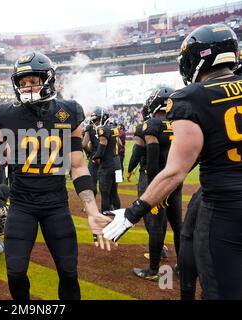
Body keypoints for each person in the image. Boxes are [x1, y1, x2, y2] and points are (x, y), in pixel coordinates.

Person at [0, 51, 113, 300]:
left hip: (55, 205)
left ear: (48, 79)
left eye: (33, 81)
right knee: (16, 274)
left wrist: (92, 208)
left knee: (69, 272)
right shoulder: (6, 114)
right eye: (23, 82)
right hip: (22, 205)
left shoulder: (68, 111)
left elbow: (78, 166)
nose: (28, 87)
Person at [103, 24, 242, 299]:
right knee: (184, 228)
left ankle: (162, 272)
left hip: (225, 207)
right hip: (215, 194)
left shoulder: (191, 98)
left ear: (198, 60)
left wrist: (133, 212)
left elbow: (176, 170)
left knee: (219, 288)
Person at [132, 87, 182, 281]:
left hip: (160, 180)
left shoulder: (152, 124)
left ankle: (153, 270)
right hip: (175, 182)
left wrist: (154, 188)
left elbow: (152, 162)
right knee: (178, 226)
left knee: (157, 227)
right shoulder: (179, 123)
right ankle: (182, 265)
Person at [92, 109, 121, 211]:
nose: (95, 122)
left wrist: (95, 157)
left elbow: (102, 146)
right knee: (114, 191)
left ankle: (105, 214)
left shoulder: (103, 129)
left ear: (102, 118)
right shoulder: (114, 128)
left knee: (105, 193)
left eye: (97, 120)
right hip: (117, 164)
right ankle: (118, 214)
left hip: (107, 165)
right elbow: (120, 144)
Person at [82, 112, 99, 196]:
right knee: (110, 186)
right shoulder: (110, 128)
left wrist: (89, 152)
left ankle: (91, 205)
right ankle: (112, 206)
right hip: (110, 158)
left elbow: (84, 144)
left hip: (95, 157)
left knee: (92, 181)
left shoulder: (90, 128)